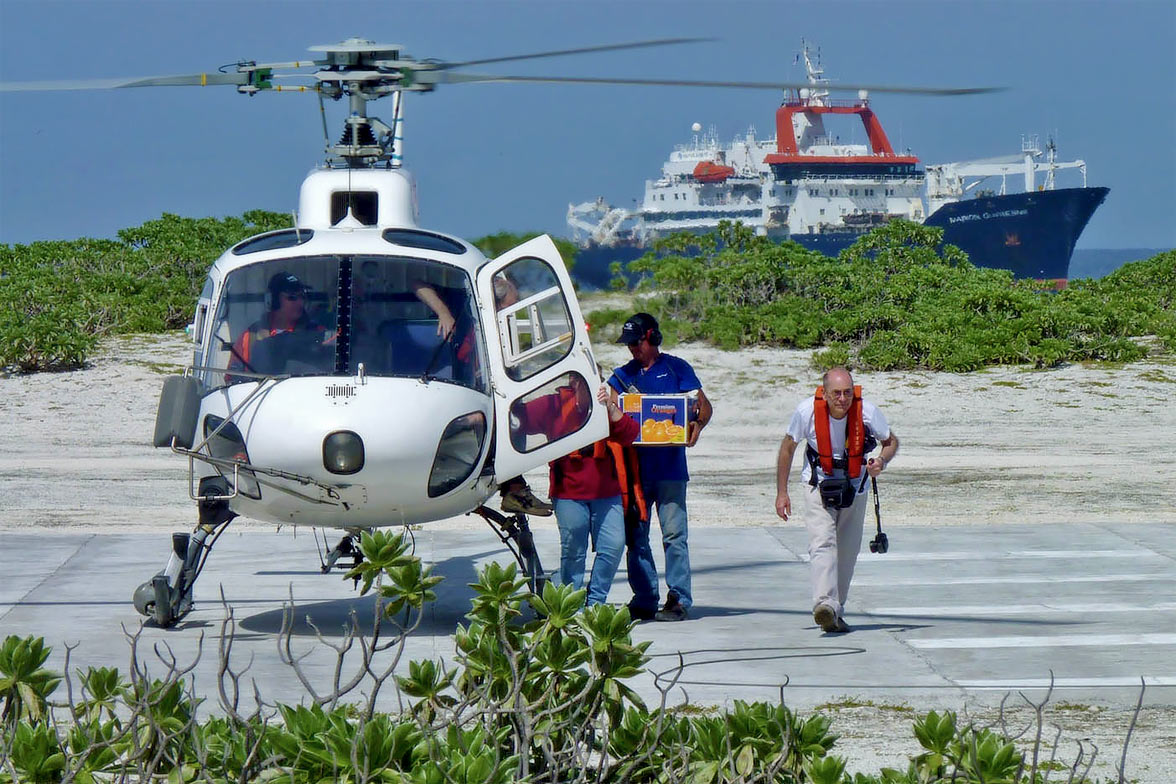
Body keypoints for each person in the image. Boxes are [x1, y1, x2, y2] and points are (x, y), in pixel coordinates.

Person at [774, 366, 899, 633]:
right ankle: (824, 604)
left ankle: (835, 608)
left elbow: (890, 442)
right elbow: (787, 448)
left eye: (847, 393)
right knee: (822, 543)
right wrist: (782, 493)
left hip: (856, 486)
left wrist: (881, 462)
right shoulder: (806, 411)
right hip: (817, 483)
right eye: (836, 394)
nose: (842, 399)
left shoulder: (867, 411)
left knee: (847, 551)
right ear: (825, 393)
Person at [607, 312, 712, 622]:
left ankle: (679, 599)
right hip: (635, 473)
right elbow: (609, 410)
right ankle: (644, 598)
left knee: (674, 536)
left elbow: (703, 405)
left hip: (670, 470)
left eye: (637, 343)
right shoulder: (622, 376)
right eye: (628, 345)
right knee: (636, 538)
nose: (633, 350)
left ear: (652, 337)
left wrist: (697, 424)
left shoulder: (677, 368)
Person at [511, 376, 643, 604]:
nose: (595, 390)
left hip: (606, 492)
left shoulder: (604, 406)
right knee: (574, 552)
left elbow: (631, 434)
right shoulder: (553, 405)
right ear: (575, 382)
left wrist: (611, 408)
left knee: (613, 547)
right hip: (569, 493)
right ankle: (569, 601)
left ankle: (595, 601)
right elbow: (517, 417)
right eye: (589, 385)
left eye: (599, 384)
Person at [228, 272, 332, 377]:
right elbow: (232, 379)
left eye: (302, 297)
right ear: (273, 300)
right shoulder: (250, 337)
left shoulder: (318, 333)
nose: (300, 302)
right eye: (292, 297)